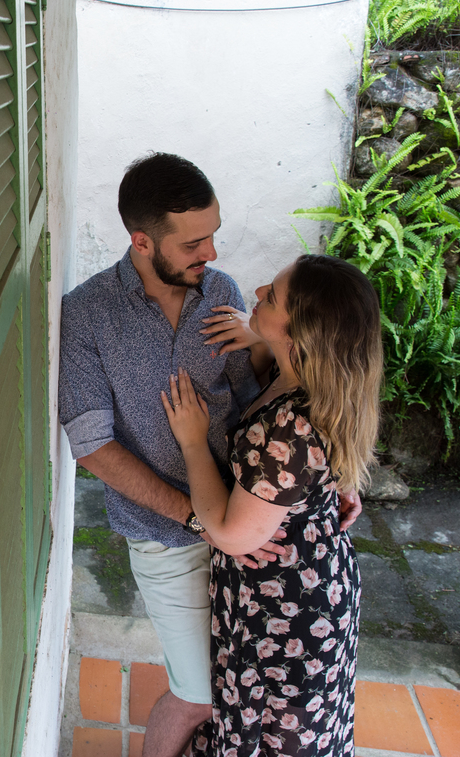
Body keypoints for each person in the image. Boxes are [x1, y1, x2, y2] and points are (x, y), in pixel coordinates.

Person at [59, 153, 290, 757]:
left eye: (212, 234)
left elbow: (256, 403)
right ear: (141, 241)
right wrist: (195, 518)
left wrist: (262, 345)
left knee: (243, 687)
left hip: (244, 523)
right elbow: (93, 448)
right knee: (199, 693)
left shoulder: (223, 294)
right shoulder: (86, 315)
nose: (210, 253)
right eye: (193, 243)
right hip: (169, 538)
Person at [161, 254, 381, 757]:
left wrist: (193, 442)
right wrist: (261, 333)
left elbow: (233, 534)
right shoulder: (326, 382)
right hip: (310, 585)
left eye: (272, 298)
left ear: (300, 338)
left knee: (273, 739)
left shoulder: (292, 424)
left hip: (285, 611)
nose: (258, 290)